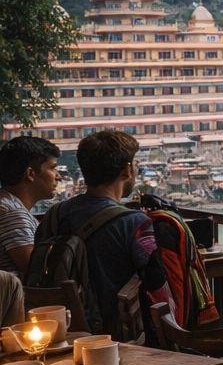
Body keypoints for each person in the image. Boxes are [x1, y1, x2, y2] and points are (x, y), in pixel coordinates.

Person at [34, 130, 174, 335]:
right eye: (134, 164)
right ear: (127, 170)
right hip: (117, 338)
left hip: (58, 331)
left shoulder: (55, 214)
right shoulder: (135, 223)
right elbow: (158, 288)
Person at [0, 136, 61, 277]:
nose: (59, 177)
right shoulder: (12, 214)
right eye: (52, 168)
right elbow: (38, 274)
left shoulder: (8, 204)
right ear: (30, 174)